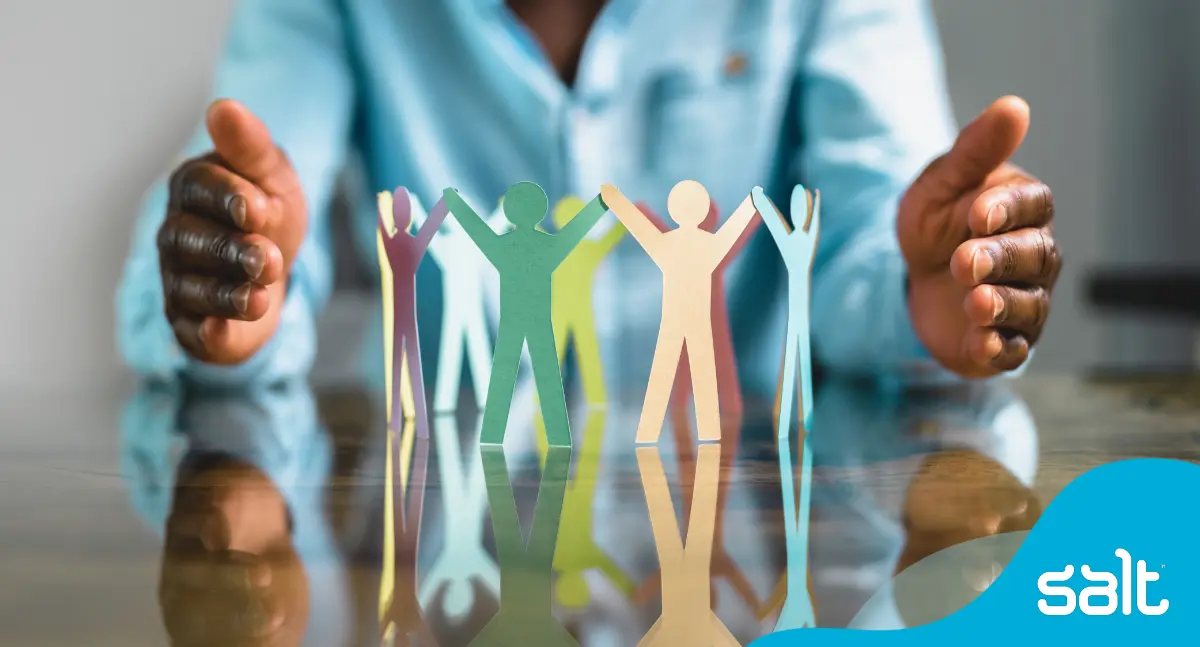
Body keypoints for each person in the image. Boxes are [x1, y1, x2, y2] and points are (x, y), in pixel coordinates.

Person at [116, 0, 1061, 395]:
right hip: (435, 499)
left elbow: (876, 242)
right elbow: (248, 215)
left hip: (753, 520)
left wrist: (925, 291)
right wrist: (232, 282)